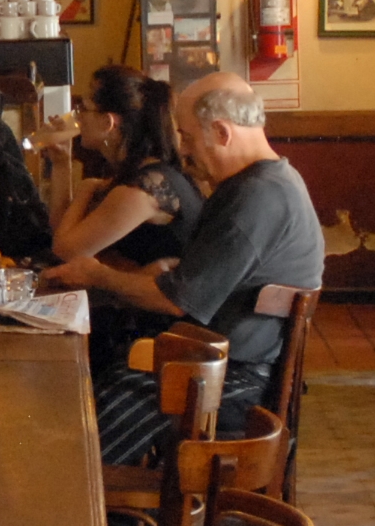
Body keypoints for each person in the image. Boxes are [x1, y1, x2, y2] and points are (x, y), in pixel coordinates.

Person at [51, 71, 326, 467]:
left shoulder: (256, 196)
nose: (184, 150)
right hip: (223, 363)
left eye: (190, 138)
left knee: (89, 418)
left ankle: (93, 516)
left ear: (222, 132)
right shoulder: (265, 182)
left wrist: (97, 276)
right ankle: (116, 514)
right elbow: (201, 274)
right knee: (99, 385)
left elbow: (177, 300)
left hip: (234, 380)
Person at [41, 65, 204, 273]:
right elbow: (63, 232)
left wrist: (85, 189)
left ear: (107, 122)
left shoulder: (145, 188)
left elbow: (64, 251)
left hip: (143, 304)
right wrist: (61, 164)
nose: (77, 117)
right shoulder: (138, 172)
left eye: (84, 109)